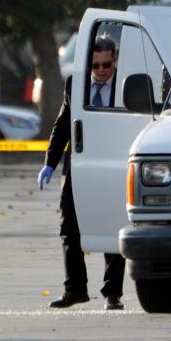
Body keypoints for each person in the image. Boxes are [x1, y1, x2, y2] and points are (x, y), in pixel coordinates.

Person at [38, 36, 126, 310]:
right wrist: (50, 163)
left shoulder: (126, 85)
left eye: (106, 65)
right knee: (69, 228)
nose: (100, 71)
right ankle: (75, 290)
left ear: (116, 61)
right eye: (95, 65)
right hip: (78, 165)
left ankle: (113, 294)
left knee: (112, 227)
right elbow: (62, 125)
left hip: (112, 166)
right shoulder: (74, 85)